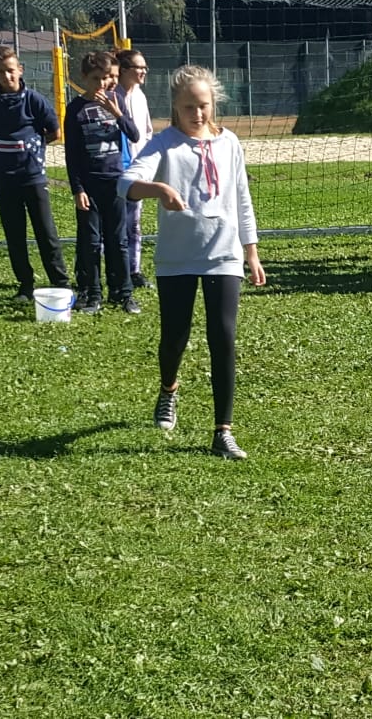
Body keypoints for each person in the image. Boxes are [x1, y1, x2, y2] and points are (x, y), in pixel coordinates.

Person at [119, 65, 267, 459]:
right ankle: (169, 389)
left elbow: (242, 198)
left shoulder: (229, 143)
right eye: (189, 107)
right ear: (175, 107)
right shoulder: (164, 144)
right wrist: (158, 189)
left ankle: (223, 432)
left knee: (223, 337)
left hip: (224, 254)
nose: (197, 114)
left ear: (213, 103)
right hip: (177, 257)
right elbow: (125, 184)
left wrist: (251, 252)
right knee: (175, 338)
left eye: (203, 105)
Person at [0, 45, 71, 301]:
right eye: (1, 72)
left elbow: (54, 132)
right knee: (14, 233)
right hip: (3, 177)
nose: (7, 76)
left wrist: (32, 149)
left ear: (20, 69)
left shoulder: (34, 100)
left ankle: (61, 283)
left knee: (45, 231)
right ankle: (25, 285)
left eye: (10, 70)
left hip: (32, 175)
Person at [65, 50, 140, 315]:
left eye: (106, 78)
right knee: (91, 242)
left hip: (115, 183)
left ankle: (123, 293)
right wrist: (78, 189)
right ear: (84, 78)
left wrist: (116, 113)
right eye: (96, 78)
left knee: (119, 241)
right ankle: (92, 293)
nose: (101, 84)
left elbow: (134, 134)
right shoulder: (75, 109)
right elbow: (72, 155)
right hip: (90, 186)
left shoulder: (116, 100)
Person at [115, 48, 155, 289]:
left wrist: (145, 162)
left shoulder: (140, 96)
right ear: (123, 70)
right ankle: (113, 270)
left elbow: (147, 131)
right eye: (138, 67)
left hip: (137, 170)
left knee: (134, 223)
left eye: (144, 67)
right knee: (113, 222)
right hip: (115, 168)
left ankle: (134, 270)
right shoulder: (111, 95)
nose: (143, 71)